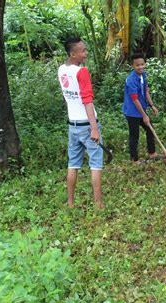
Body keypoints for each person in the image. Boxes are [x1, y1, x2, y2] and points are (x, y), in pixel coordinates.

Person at [58, 37, 104, 209]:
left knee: (73, 164)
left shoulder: (61, 69)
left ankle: (70, 203)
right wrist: (94, 128)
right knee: (96, 164)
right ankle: (98, 204)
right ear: (73, 54)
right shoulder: (81, 72)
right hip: (87, 124)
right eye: (82, 51)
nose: (85, 53)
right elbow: (87, 101)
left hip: (73, 125)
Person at [122, 53, 159, 163]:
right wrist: (144, 116)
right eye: (137, 65)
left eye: (142, 64)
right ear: (133, 66)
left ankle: (152, 153)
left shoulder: (143, 75)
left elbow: (146, 91)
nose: (140, 67)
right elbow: (135, 99)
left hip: (142, 109)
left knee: (150, 130)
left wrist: (152, 105)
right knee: (134, 136)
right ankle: (135, 160)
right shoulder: (130, 80)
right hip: (132, 112)